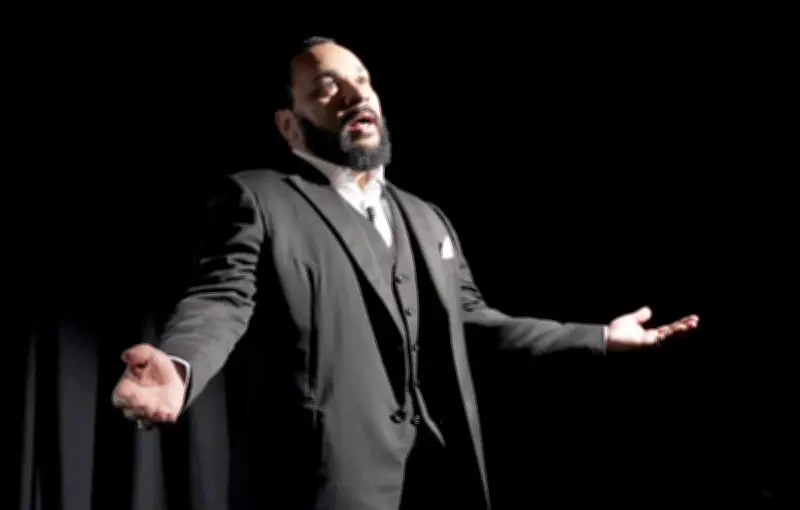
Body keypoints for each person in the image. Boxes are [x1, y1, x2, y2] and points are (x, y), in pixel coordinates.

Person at [112, 37, 699, 510]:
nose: (354, 94)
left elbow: (474, 322)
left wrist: (598, 337)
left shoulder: (427, 217)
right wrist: (180, 365)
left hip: (439, 477)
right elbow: (222, 298)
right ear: (289, 125)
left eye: (362, 80)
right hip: (326, 485)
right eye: (327, 87)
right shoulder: (258, 199)